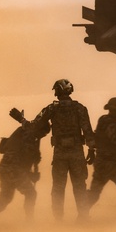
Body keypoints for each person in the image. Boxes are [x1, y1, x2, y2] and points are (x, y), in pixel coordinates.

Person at [32, 79, 95, 222]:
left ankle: (58, 220)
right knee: (80, 186)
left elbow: (35, 125)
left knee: (58, 188)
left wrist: (21, 120)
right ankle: (83, 217)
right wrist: (91, 149)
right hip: (77, 154)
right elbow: (88, 130)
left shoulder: (51, 109)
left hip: (60, 154)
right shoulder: (80, 108)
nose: (55, 93)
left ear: (59, 91)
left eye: (56, 90)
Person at [0, 108, 41, 226]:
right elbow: (24, 162)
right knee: (31, 194)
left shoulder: (22, 131)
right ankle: (30, 223)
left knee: (5, 198)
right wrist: (32, 175)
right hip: (14, 169)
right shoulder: (31, 137)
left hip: (4, 168)